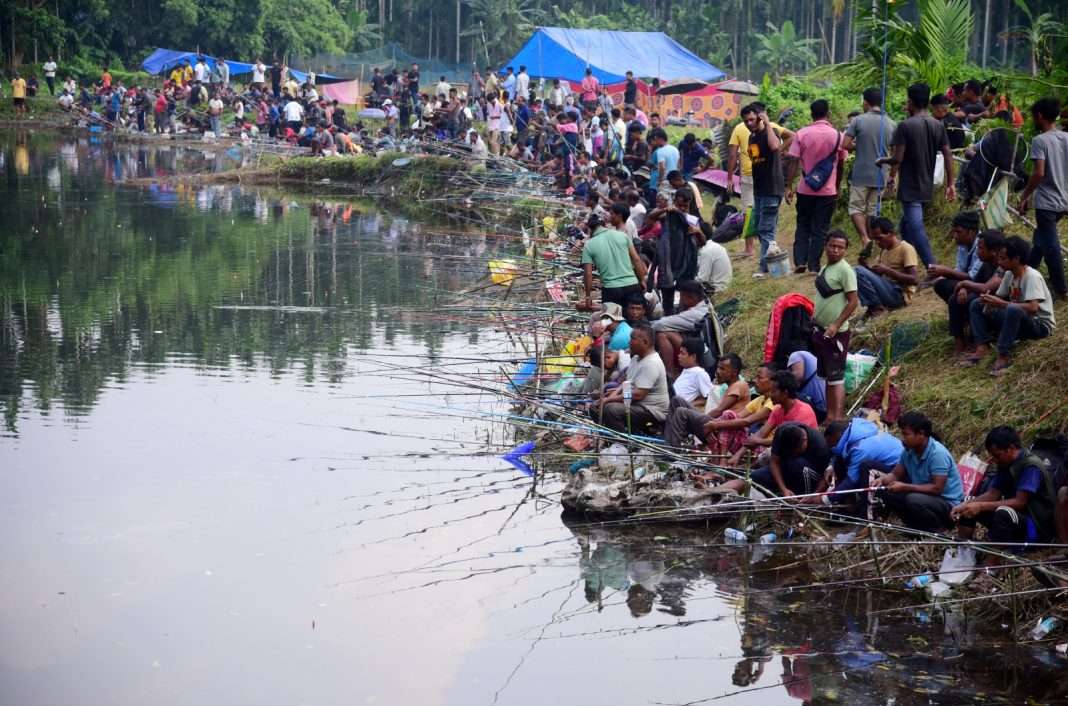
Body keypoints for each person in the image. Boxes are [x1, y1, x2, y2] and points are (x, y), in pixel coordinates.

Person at [879, 82, 955, 267]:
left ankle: (932, 268)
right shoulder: (937, 125)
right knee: (905, 226)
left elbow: (897, 158)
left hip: (911, 185)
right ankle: (905, 263)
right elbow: (947, 154)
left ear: (910, 102)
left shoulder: (905, 126)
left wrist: (882, 161)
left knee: (915, 226)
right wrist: (950, 183)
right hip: (926, 184)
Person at [952, 426, 1056, 549]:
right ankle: (962, 548)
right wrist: (966, 505)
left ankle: (991, 564)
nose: (995, 460)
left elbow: (1020, 502)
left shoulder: (1030, 466)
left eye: (997, 455)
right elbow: (992, 494)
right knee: (968, 503)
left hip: (1034, 526)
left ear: (1011, 449)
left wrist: (980, 506)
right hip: (1015, 517)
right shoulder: (1005, 464)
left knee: (1004, 512)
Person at [965, 235, 1056, 374]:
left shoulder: (1031, 276)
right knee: (977, 303)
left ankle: (1003, 355)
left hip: (1039, 326)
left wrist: (1001, 303)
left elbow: (1033, 308)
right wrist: (989, 301)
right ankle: (982, 346)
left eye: (1003, 258)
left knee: (1013, 309)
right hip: (1019, 319)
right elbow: (999, 297)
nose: (999, 262)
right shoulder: (1009, 274)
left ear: (1016, 259)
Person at [872, 411, 963, 532]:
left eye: (906, 434)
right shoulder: (909, 451)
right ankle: (916, 527)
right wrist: (882, 480)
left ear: (921, 434)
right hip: (925, 497)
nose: (903, 439)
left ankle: (937, 528)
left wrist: (905, 487)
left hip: (946, 503)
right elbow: (895, 474)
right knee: (887, 492)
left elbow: (937, 488)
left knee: (913, 499)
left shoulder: (937, 454)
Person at [786, 99, 846, 273]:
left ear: (811, 114)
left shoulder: (801, 134)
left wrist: (789, 186)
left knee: (803, 224)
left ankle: (800, 262)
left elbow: (793, 161)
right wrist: (837, 184)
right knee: (820, 228)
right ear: (827, 113)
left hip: (805, 188)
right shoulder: (838, 135)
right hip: (828, 191)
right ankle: (814, 265)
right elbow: (841, 162)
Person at [1017, 97, 1068, 301]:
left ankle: (1061, 289)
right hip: (1066, 198)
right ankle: (1026, 274)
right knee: (1041, 239)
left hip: (1047, 202)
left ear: (1039, 116)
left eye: (1033, 117)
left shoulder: (1040, 141)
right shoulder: (1066, 137)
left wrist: (1024, 196)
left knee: (1051, 246)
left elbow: (1038, 173)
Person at [810, 230, 858, 421]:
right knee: (828, 377)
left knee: (836, 377)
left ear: (846, 250)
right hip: (821, 331)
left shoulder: (846, 271)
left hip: (835, 334)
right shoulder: (825, 268)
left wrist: (836, 325)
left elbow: (853, 301)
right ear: (826, 246)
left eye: (840, 247)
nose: (836, 250)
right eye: (832, 246)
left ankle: (836, 418)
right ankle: (830, 415)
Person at [842, 87, 896, 246]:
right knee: (872, 210)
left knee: (856, 208)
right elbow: (895, 155)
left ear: (865, 102)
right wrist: (892, 175)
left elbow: (845, 144)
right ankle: (873, 238)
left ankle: (865, 238)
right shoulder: (892, 123)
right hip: (881, 175)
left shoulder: (858, 120)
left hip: (861, 173)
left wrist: (859, 145)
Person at [664, 353, 749, 452]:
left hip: (726, 429)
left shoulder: (739, 385)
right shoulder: (731, 386)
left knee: (681, 412)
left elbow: (718, 411)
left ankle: (672, 450)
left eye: (722, 369)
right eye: (718, 368)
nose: (717, 372)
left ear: (734, 372)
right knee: (676, 401)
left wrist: (699, 420)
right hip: (718, 424)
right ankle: (670, 442)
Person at [594, 324, 670, 433]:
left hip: (651, 410)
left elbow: (638, 394)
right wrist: (612, 394)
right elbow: (626, 382)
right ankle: (608, 435)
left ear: (645, 342)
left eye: (633, 339)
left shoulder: (651, 363)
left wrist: (610, 399)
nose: (629, 342)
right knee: (596, 405)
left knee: (611, 409)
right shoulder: (635, 358)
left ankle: (621, 443)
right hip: (636, 404)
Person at [823, 418, 904, 514]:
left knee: (866, 468)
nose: (831, 448)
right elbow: (839, 454)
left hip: (897, 470)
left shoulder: (861, 448)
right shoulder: (855, 431)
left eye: (831, 444)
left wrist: (825, 499)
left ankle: (867, 514)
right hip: (885, 464)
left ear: (838, 437)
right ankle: (849, 506)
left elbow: (851, 481)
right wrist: (831, 466)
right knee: (840, 461)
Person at [579, 205, 647, 310]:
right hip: (632, 284)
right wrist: (642, 279)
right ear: (604, 225)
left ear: (590, 229)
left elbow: (588, 274)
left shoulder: (589, 245)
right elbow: (636, 259)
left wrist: (588, 295)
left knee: (611, 322)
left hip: (611, 289)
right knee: (632, 318)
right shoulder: (622, 236)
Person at [744, 104, 785, 277]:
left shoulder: (770, 132)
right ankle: (776, 266)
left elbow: (775, 147)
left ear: (760, 117)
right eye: (745, 121)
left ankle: (764, 268)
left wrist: (768, 124)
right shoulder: (752, 137)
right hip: (759, 189)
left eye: (752, 119)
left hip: (771, 187)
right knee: (763, 230)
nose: (749, 123)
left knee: (765, 230)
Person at [855, 217, 919, 317]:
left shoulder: (906, 248)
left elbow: (914, 279)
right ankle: (873, 307)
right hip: (887, 290)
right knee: (856, 271)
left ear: (891, 233)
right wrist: (866, 267)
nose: (877, 242)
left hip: (899, 296)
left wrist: (887, 270)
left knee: (857, 270)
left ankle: (877, 308)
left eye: (879, 238)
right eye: (874, 239)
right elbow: (880, 276)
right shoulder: (884, 250)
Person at [651, 280, 709, 378]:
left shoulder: (695, 314)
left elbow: (660, 324)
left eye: (682, 296)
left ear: (691, 297)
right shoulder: (704, 306)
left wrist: (644, 328)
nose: (680, 300)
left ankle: (669, 374)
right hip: (700, 351)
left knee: (663, 334)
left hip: (703, 357)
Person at [786, 350, 827, 423]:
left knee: (785, 394)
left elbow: (798, 376)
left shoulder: (795, 355)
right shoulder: (809, 356)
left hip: (816, 408)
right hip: (823, 408)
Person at [647, 128, 679, 195]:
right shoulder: (674, 149)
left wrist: (660, 181)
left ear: (656, 138)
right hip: (674, 180)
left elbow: (662, 167)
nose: (653, 142)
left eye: (654, 139)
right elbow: (678, 165)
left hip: (665, 181)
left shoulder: (660, 151)